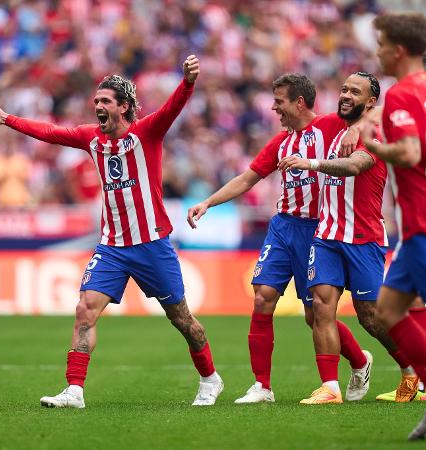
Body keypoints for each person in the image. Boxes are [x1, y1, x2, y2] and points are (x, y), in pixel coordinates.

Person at [0, 55, 224, 408]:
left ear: (124, 107)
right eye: (96, 101)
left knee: (182, 319)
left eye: (105, 101)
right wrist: (7, 119)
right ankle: (74, 390)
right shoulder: (90, 138)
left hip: (151, 243)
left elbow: (173, 108)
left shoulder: (147, 133)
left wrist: (187, 82)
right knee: (84, 310)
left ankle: (210, 378)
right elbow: (50, 132)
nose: (97, 105)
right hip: (111, 247)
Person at [187, 73, 367, 404]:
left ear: (299, 102)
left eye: (279, 101)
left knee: (316, 316)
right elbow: (246, 179)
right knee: (262, 297)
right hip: (283, 227)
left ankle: (360, 361)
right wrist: (208, 202)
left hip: (318, 231)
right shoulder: (281, 142)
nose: (274, 108)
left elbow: (370, 113)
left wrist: (357, 127)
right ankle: (262, 386)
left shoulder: (331, 125)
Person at [280, 72, 396, 404]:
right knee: (320, 308)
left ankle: (411, 369)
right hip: (327, 235)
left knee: (370, 316)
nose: (345, 95)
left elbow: (356, 166)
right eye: (343, 89)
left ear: (370, 102)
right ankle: (329, 387)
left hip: (362, 237)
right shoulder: (335, 130)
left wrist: (312, 163)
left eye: (354, 92)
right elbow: (307, 118)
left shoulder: (375, 132)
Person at [358, 12, 426, 440]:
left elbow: (410, 153)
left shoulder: (402, 93)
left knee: (392, 312)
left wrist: (371, 143)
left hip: (421, 224)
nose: (377, 51)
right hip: (414, 230)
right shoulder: (418, 89)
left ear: (398, 50)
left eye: (381, 44)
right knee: (388, 310)